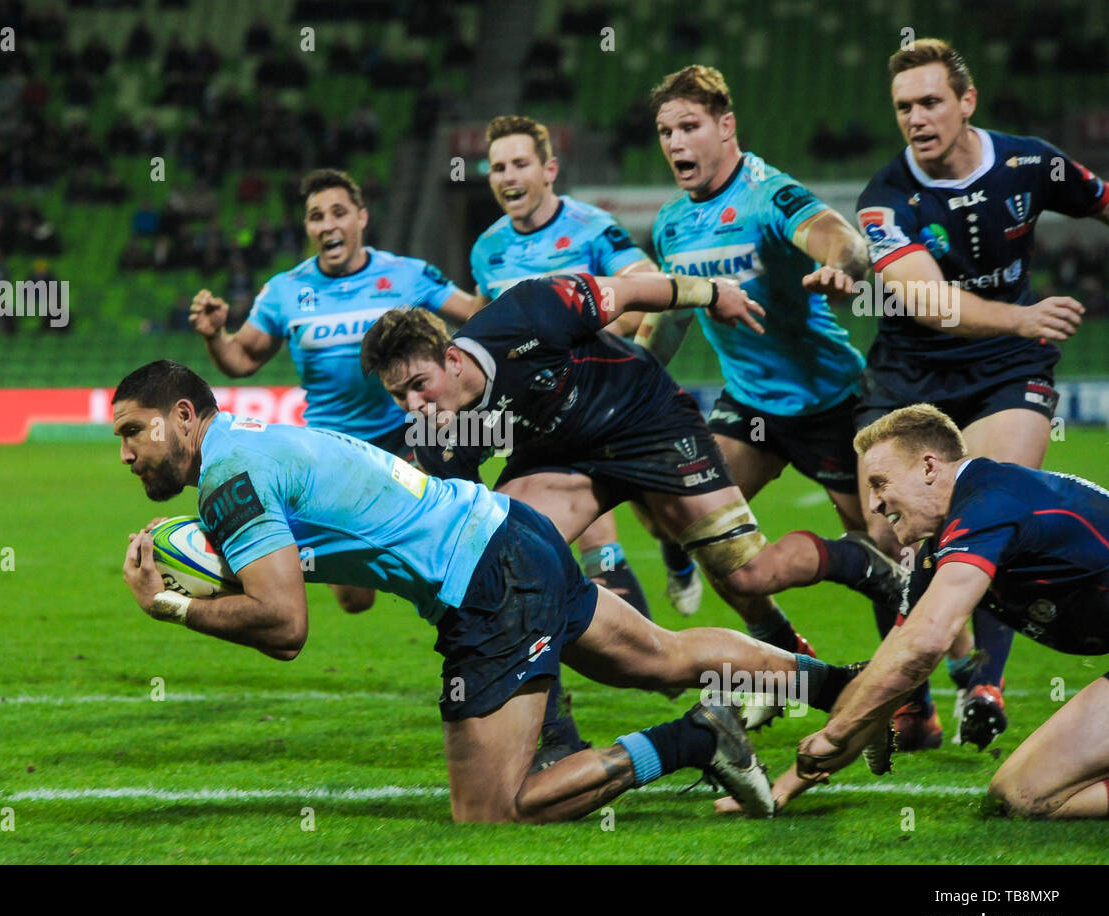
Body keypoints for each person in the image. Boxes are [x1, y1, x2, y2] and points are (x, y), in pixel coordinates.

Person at [114, 359, 868, 823]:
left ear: (184, 415)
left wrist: (171, 605)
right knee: (661, 656)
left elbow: (284, 626)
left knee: (493, 810)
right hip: (511, 531)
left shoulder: (229, 472)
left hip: (485, 579)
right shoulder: (255, 443)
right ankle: (848, 689)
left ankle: (696, 737)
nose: (124, 453)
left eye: (134, 431)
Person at [360, 272, 908, 664]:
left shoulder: (527, 312)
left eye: (418, 385)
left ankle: (857, 560)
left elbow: (632, 288)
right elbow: (461, 528)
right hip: (562, 458)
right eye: (398, 396)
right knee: (510, 571)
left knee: (746, 572)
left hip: (647, 421)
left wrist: (713, 293)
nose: (414, 405)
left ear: (452, 358)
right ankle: (555, 734)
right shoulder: (435, 434)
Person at [853, 38, 1109, 749]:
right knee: (890, 535)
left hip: (1004, 369)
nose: (917, 117)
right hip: (909, 375)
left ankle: (984, 686)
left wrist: (1019, 331)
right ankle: (918, 702)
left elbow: (1101, 200)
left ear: (967, 102)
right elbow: (929, 304)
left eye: (931, 101)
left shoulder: (1031, 162)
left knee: (1003, 506)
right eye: (904, 106)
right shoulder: (885, 200)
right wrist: (1025, 316)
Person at [642, 66, 897, 686]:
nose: (676, 143)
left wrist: (841, 266)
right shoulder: (671, 224)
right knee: (699, 528)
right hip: (751, 406)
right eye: (665, 131)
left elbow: (841, 238)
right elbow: (671, 321)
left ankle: (911, 689)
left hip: (830, 402)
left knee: (885, 551)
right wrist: (628, 380)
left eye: (690, 126)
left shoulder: (767, 193)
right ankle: (780, 646)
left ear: (725, 127)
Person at [742, 404, 1109, 820]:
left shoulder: (991, 502)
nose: (875, 504)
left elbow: (926, 645)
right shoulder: (940, 546)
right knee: (1022, 793)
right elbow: (893, 662)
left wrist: (836, 734)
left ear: (929, 467)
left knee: (1026, 793)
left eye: (880, 484)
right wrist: (787, 784)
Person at [190, 168, 481, 616]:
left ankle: (471, 616)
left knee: (451, 549)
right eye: (316, 216)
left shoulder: (405, 275)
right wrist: (215, 335)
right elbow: (242, 360)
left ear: (362, 218)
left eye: (338, 212)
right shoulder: (284, 291)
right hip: (330, 449)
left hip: (408, 436)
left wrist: (497, 282)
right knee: (354, 599)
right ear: (308, 227)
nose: (328, 224)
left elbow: (474, 315)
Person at [470, 115, 687, 619]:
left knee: (660, 521)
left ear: (548, 169)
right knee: (558, 542)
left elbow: (647, 284)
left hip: (604, 397)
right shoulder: (488, 248)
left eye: (520, 163)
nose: (508, 176)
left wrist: (587, 349)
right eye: (498, 167)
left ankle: (657, 630)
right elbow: (487, 323)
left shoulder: (592, 227)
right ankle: (620, 670)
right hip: (536, 413)